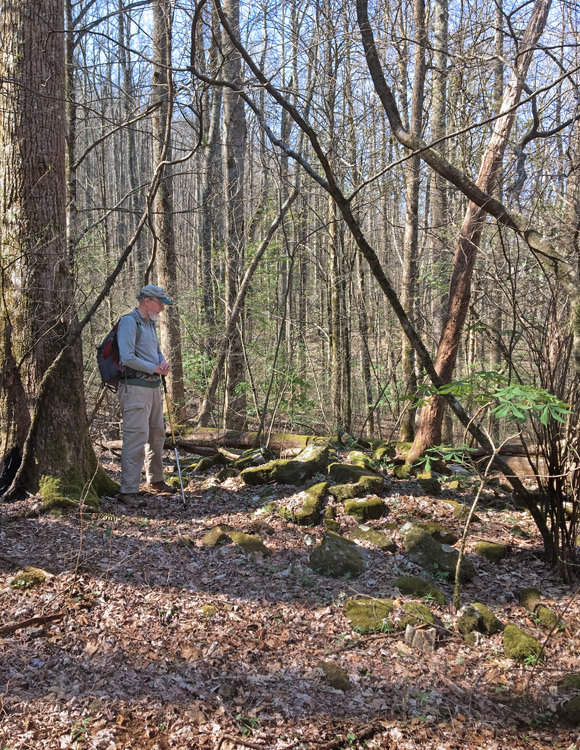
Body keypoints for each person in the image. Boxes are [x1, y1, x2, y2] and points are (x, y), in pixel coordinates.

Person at [117, 284, 177, 507]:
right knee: (135, 437)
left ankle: (156, 480)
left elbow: (156, 352)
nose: (161, 308)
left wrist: (162, 362)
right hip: (134, 389)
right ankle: (129, 490)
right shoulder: (128, 322)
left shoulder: (150, 325)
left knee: (156, 435)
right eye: (160, 303)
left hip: (152, 388)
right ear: (147, 301)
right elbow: (127, 357)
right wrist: (154, 368)